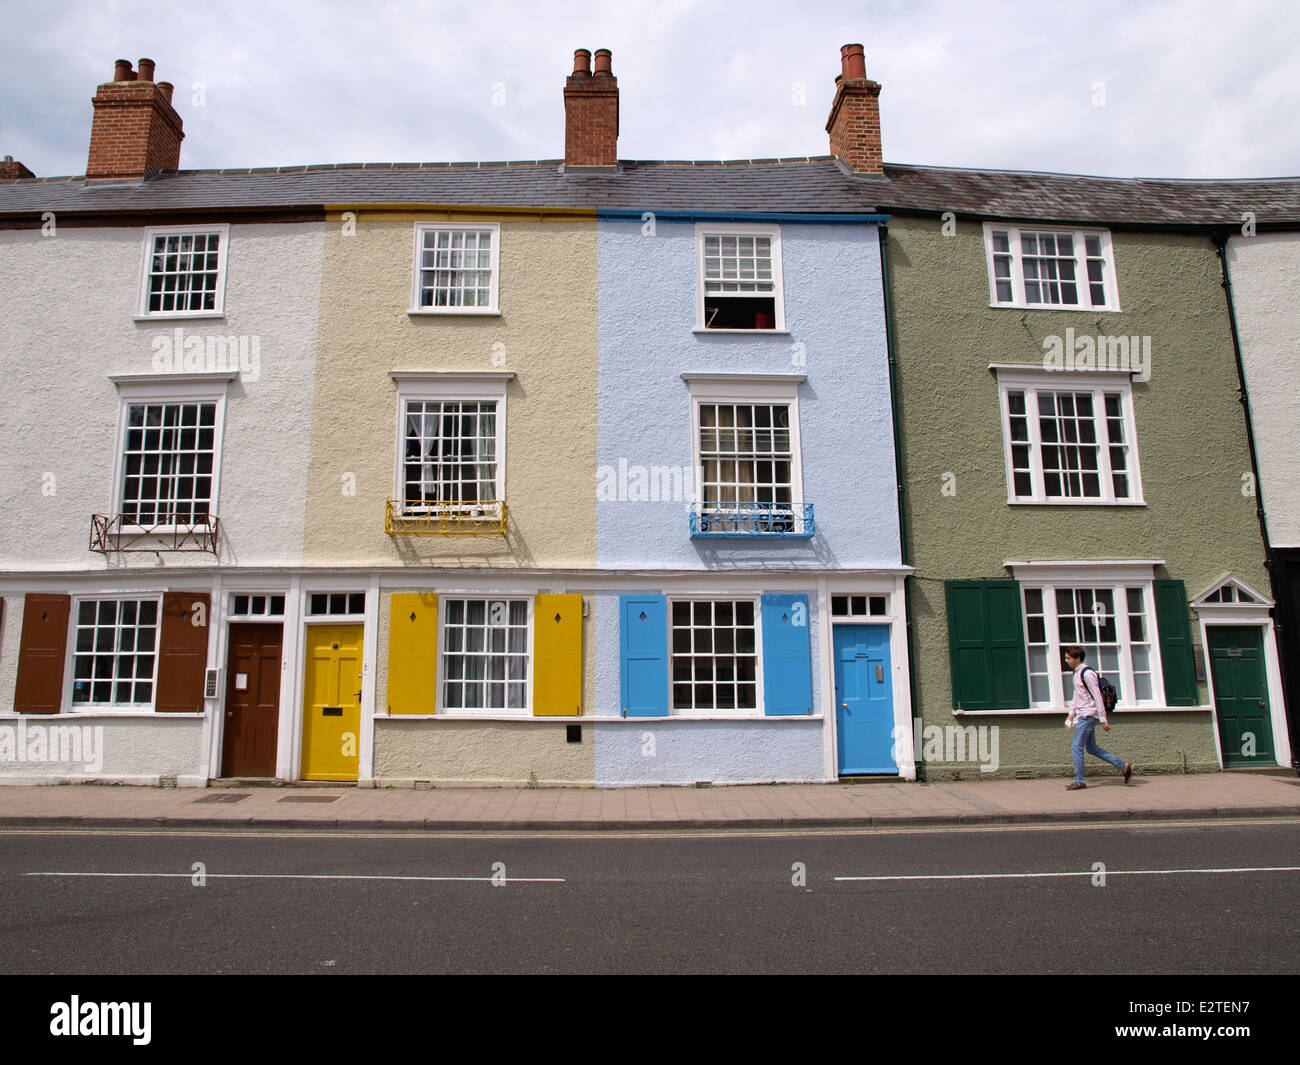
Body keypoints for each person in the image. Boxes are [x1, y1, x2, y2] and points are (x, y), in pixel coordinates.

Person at [1063, 646, 1133, 790]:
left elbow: (1097, 697)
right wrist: (1071, 714)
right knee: (1092, 748)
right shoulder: (1076, 673)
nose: (1066, 661)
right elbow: (1077, 695)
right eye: (1066, 658)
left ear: (1078, 658)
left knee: (1076, 747)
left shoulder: (1087, 673)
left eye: (1068, 658)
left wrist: (1103, 720)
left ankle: (1080, 781)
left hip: (1088, 715)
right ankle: (1124, 766)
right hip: (1082, 714)